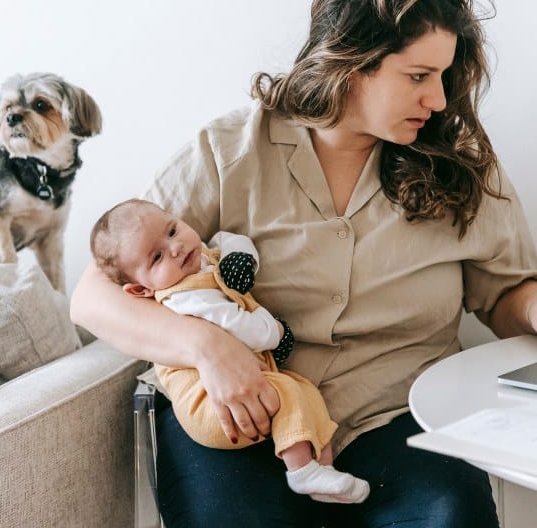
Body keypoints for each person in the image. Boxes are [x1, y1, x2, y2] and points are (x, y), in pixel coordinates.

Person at [71, 0, 537, 528]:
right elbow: (92, 298)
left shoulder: (460, 161)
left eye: (443, 76)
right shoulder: (230, 150)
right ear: (350, 63)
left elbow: (503, 292)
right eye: (418, 77)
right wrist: (207, 345)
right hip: (244, 417)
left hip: (396, 419)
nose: (439, 100)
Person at [89, 198, 370, 503]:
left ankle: (323, 470)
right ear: (141, 290)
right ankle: (301, 471)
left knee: (306, 392)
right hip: (211, 406)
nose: (176, 248)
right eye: (157, 257)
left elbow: (228, 239)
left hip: (244, 385)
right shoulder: (184, 298)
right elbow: (240, 327)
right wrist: (275, 332)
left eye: (172, 231)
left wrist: (241, 258)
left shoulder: (202, 258)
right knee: (289, 393)